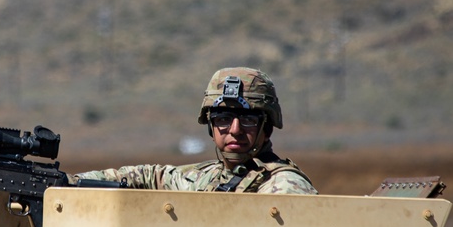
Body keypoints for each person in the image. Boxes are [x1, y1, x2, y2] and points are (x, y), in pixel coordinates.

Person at [73, 67, 316, 194]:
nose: (235, 130)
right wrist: (68, 184)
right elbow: (145, 177)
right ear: (211, 126)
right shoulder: (204, 178)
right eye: (223, 118)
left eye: (249, 120)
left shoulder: (285, 186)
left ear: (268, 126)